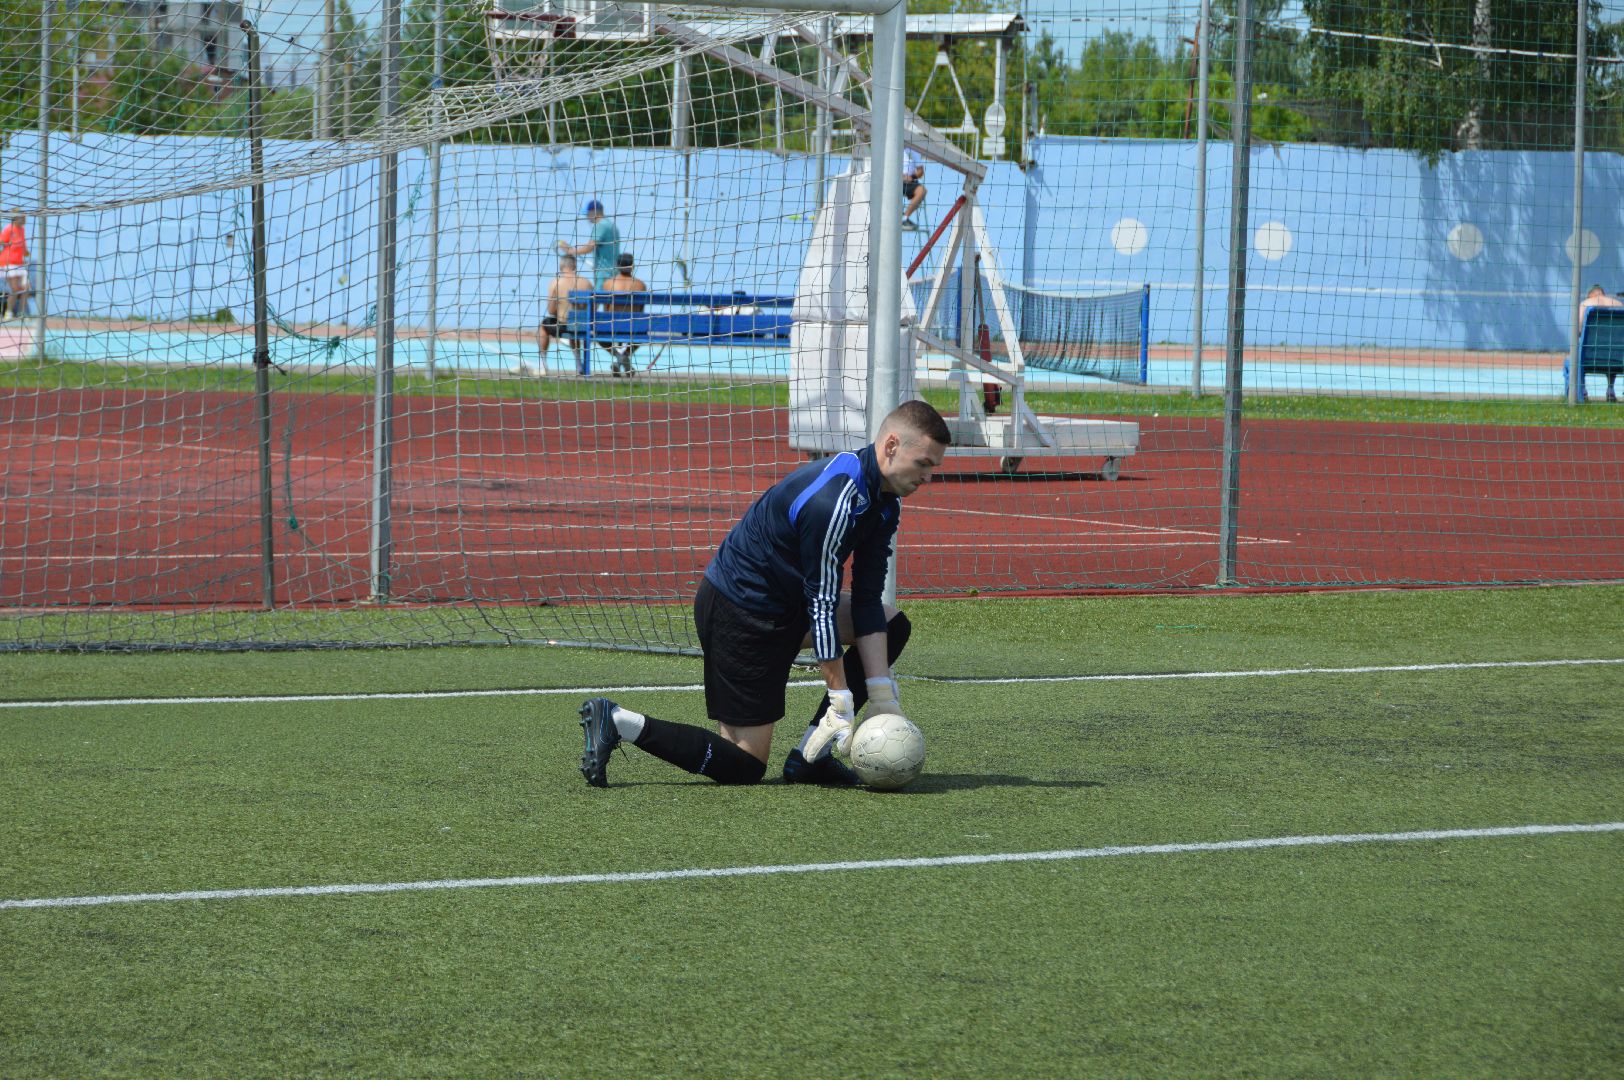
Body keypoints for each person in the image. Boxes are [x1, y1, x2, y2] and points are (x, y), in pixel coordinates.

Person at [576, 399, 952, 788]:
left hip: (788, 608)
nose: (927, 476)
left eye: (933, 467)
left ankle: (811, 758)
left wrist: (881, 695)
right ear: (891, 445)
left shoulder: (885, 500)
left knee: (892, 624)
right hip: (740, 614)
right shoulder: (834, 501)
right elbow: (823, 605)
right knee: (744, 766)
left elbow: (867, 597)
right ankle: (619, 721)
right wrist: (840, 701)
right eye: (923, 463)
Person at [516, 253, 593, 376]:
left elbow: (551, 310)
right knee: (574, 328)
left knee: (543, 326)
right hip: (584, 326)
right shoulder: (586, 282)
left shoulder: (556, 282)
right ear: (574, 266)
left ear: (561, 266)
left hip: (565, 326)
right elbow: (593, 306)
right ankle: (579, 363)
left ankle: (542, 363)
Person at [598, 251, 648, 378]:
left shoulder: (608, 284)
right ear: (633, 266)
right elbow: (641, 310)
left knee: (597, 334)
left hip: (611, 326)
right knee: (642, 332)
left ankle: (618, 357)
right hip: (633, 327)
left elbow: (606, 309)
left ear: (617, 266)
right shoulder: (641, 285)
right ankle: (624, 356)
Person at [557, 199, 620, 289]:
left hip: (604, 272)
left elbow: (590, 247)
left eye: (588, 214)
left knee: (599, 296)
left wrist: (570, 251)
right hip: (614, 270)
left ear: (594, 212)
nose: (587, 217)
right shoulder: (611, 225)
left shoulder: (600, 225)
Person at [1579, 284, 1624, 402]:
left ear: (1590, 295)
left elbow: (1578, 331)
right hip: (1616, 358)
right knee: (1613, 348)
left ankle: (1582, 389)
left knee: (1577, 354)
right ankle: (1610, 389)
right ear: (1603, 293)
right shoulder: (1619, 305)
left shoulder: (1585, 304)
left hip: (1589, 357)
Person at [0, 214, 29, 321]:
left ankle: (22, 313)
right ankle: (9, 313)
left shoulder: (22, 229)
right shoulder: (9, 229)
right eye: (22, 218)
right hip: (8, 262)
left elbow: (23, 246)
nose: (25, 220)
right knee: (15, 288)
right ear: (16, 219)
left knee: (26, 288)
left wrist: (25, 252)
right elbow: (2, 241)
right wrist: (10, 244)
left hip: (19, 263)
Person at [901, 151, 926, 232]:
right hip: (892, 180)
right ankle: (895, 214)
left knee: (922, 191)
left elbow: (920, 171)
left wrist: (911, 177)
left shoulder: (914, 150)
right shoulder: (889, 148)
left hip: (908, 182)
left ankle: (904, 218)